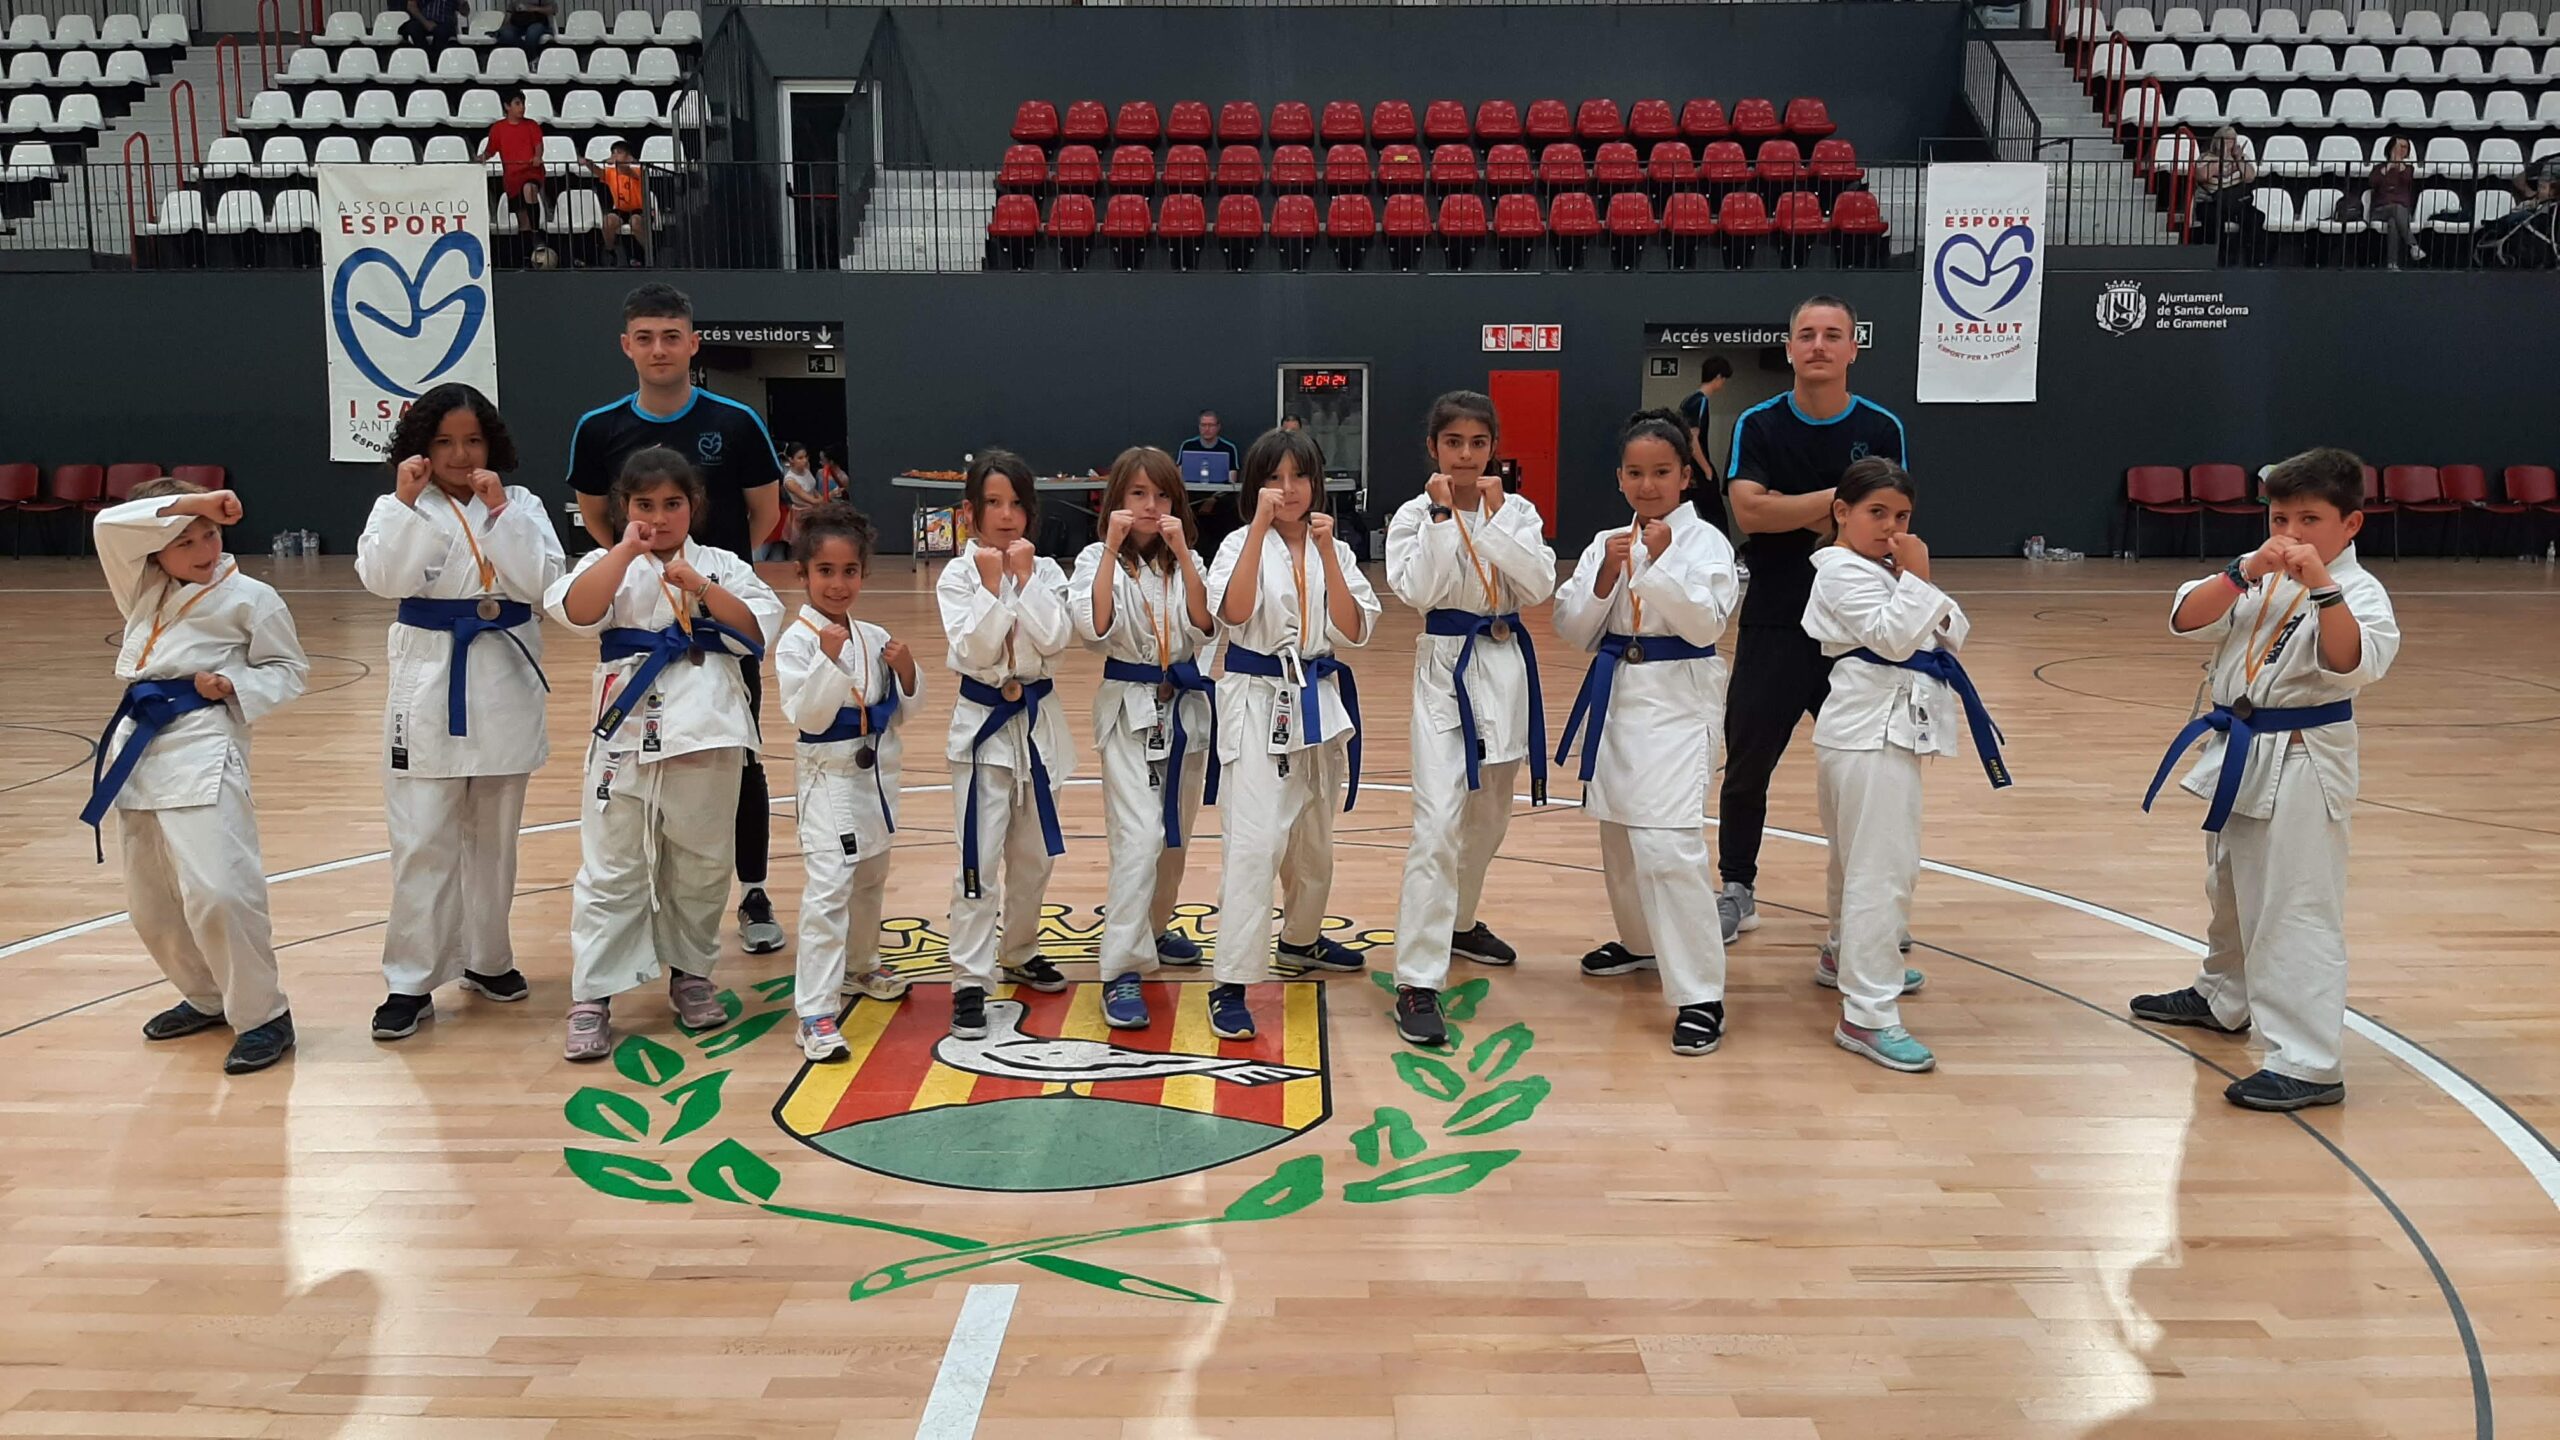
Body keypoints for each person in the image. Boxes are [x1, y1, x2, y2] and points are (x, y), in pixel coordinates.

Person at [2131, 447, 2400, 1112]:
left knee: (2294, 907)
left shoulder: (2360, 592)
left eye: (2310, 520)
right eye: (2280, 519)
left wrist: (2325, 590)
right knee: (2228, 886)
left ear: (2351, 525)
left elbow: (2351, 660)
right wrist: (2244, 569)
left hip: (2305, 758)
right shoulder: (2261, 575)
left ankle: (2309, 1061)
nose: (2291, 534)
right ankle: (2223, 994)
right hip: (2240, 748)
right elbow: (2187, 616)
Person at [544, 447, 785, 1062]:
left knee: (702, 861)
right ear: (623, 508)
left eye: (672, 504)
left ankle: (691, 974)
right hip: (625, 729)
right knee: (611, 865)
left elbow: (756, 632)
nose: (658, 517)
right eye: (644, 505)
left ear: (694, 506)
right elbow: (576, 610)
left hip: (708, 727)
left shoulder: (722, 565)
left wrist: (700, 587)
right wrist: (624, 552)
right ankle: (592, 994)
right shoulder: (607, 562)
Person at [568, 284, 787, 956]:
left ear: (693, 344)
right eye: (645, 337)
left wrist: (711, 578)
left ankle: (753, 892)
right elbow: (597, 516)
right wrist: (642, 571)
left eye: (671, 336)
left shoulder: (737, 421)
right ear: (626, 345)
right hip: (642, 629)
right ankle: (637, 909)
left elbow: (766, 513)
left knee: (740, 756)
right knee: (634, 762)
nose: (659, 349)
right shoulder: (598, 428)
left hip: (718, 620)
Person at [353, 383, 565, 1042]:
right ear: (420, 446)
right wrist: (403, 503)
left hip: (503, 677)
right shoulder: (400, 505)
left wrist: (499, 511)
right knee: (423, 838)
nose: (459, 454)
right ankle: (409, 981)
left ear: (491, 444)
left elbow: (544, 583)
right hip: (429, 680)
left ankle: (487, 958)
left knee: (495, 838)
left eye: (472, 440)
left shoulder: (520, 503)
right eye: (443, 441)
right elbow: (382, 580)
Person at [84, 480, 309, 1075]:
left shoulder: (252, 598)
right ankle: (208, 996)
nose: (205, 548)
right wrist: (192, 505)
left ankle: (263, 1015)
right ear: (155, 551)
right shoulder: (143, 586)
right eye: (185, 541)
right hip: (139, 745)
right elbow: (110, 526)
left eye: (210, 534)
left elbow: (289, 670)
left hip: (204, 738)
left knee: (219, 890)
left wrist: (234, 683)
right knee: (152, 902)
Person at [1805, 458, 2009, 1075]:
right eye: (1877, 513)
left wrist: (1915, 583)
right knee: (1882, 871)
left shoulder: (1883, 569)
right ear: (1842, 512)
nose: (1891, 527)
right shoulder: (1839, 571)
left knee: (1855, 859)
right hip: (1869, 734)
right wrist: (1917, 579)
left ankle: (1844, 954)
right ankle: (1867, 1013)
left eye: (1902, 516)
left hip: (1873, 732)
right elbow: (1896, 639)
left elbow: (1954, 629)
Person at [1718, 295, 1907, 945]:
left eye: (1832, 335)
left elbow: (1885, 523)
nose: (1819, 345)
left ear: (1853, 348)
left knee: (1866, 772)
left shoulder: (1882, 427)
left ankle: (1864, 906)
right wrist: (1843, 502)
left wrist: (1794, 508)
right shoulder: (1759, 423)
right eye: (1806, 334)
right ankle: (1736, 888)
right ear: (1790, 348)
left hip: (1855, 629)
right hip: (1775, 616)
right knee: (1747, 766)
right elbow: (1749, 512)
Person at [1552, 411, 1739, 1056]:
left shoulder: (1705, 542)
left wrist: (1658, 564)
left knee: (1668, 846)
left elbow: (1706, 625)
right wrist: (1606, 577)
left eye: (1661, 472)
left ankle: (1700, 993)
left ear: (1686, 476)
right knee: (1621, 837)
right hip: (1617, 694)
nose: (1648, 484)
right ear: (1619, 478)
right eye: (1636, 473)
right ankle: (1639, 943)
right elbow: (1573, 628)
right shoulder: (1608, 540)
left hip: (1678, 697)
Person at [1383, 391, 1555, 1048]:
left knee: (1488, 821)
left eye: (1477, 443)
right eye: (1452, 442)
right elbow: (1418, 591)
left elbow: (1537, 584)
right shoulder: (1412, 515)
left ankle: (1459, 923)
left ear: (1493, 449)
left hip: (1504, 668)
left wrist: (1493, 519)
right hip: (1444, 670)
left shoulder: (1518, 511)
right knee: (1436, 825)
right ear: (1433, 447)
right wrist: (1440, 517)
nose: (1464, 455)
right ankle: (1416, 979)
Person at [1208, 428, 1380, 1042]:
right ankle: (1231, 981)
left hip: (1318, 699)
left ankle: (1301, 940)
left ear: (1317, 483)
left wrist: (1329, 553)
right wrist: (1259, 527)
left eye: (1299, 476)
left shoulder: (1334, 546)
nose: (1288, 489)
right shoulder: (1237, 543)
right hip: (1258, 699)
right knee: (1255, 844)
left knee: (1314, 839)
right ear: (1254, 487)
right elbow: (1233, 613)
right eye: (1274, 478)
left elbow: (1354, 629)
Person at [1069, 447, 1217, 1030]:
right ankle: (1121, 967)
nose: (1150, 506)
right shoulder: (1094, 558)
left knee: (1174, 837)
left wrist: (1183, 555)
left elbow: (1206, 625)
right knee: (1139, 837)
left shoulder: (1187, 560)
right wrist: (1110, 546)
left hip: (1184, 708)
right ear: (1117, 501)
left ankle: (1153, 929)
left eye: (1161, 495)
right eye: (1137, 494)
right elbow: (1093, 625)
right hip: (1129, 709)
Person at [937, 450, 1077, 1041]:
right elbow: (975, 650)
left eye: (1017, 503)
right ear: (969, 511)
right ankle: (970, 978)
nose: (1006, 515)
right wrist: (995, 586)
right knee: (978, 856)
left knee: (1033, 856)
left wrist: (1023, 579)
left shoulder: (1046, 572)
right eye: (993, 503)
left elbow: (1057, 639)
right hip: (982, 729)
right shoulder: (957, 575)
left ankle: (1019, 948)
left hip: (1038, 726)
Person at [776, 501, 919, 1062]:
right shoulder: (797, 641)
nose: (838, 584)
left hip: (874, 774)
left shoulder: (874, 634)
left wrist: (906, 671)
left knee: (870, 878)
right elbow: (809, 717)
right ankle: (814, 1010)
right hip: (827, 779)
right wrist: (827, 662)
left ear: (864, 573)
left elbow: (898, 711)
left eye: (850, 571)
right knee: (829, 890)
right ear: (802, 574)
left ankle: (861, 964)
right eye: (825, 571)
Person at [476, 90, 545, 249]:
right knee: (522, 220)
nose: (522, 107)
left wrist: (537, 156)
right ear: (507, 106)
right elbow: (490, 150)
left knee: (529, 189)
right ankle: (527, 253)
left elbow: (538, 145)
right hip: (512, 178)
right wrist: (481, 158)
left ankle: (536, 233)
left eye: (523, 104)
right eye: (517, 104)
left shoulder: (532, 125)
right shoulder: (498, 128)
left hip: (531, 172)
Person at [1678, 356, 1735, 536]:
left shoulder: (1689, 401)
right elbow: (1692, 438)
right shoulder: (1699, 401)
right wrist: (1707, 469)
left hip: (1689, 469)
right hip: (1698, 470)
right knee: (1714, 514)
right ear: (1718, 377)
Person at [2192, 126, 2265, 264]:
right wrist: (2222, 159)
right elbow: (2202, 176)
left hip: (2236, 202)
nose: (2230, 143)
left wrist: (2238, 159)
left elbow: (2250, 177)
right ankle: (2218, 259)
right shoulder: (2207, 157)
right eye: (2226, 140)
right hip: (2212, 202)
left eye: (2232, 140)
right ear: (2217, 141)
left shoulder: (2241, 158)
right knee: (2213, 220)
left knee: (2256, 217)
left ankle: (2253, 260)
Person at [582, 140, 649, 269]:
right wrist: (588, 163)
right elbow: (598, 172)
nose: (615, 155)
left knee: (635, 221)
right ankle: (610, 251)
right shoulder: (611, 173)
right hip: (620, 209)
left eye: (619, 153)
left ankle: (649, 251)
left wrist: (617, 162)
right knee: (608, 221)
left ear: (628, 156)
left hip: (639, 209)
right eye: (613, 153)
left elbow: (626, 170)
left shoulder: (638, 170)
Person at [2368, 137, 2424, 271]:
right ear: (2391, 148)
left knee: (2393, 222)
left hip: (2402, 213)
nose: (2402, 150)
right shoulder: (2379, 168)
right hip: (2380, 210)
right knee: (2396, 209)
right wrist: (2388, 167)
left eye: (2405, 147)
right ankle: (2413, 245)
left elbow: (2406, 180)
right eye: (2399, 146)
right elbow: (2373, 183)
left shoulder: (2409, 169)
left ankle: (2392, 263)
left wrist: (2398, 164)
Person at [397, 0, 463, 53]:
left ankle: (434, 60)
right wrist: (426, 23)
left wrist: (462, 3)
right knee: (413, 27)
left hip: (445, 23)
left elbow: (465, 12)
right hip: (423, 20)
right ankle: (425, 55)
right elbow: (411, 6)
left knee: (443, 31)